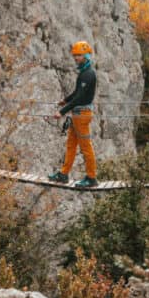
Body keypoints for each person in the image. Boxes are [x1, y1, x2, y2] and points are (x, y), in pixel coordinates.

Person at [48, 40, 98, 188]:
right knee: (71, 145)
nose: (76, 58)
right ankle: (64, 174)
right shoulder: (84, 72)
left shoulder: (88, 74)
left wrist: (62, 112)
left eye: (79, 55)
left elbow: (80, 97)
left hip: (82, 115)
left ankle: (91, 178)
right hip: (78, 114)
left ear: (87, 56)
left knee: (86, 147)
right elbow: (77, 93)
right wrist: (65, 100)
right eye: (75, 55)